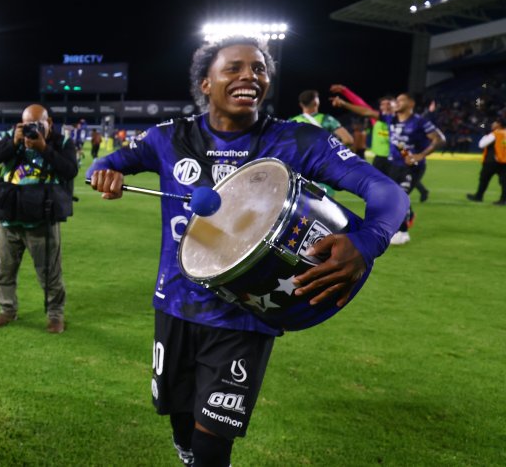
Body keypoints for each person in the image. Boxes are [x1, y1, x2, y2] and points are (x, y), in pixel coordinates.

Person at [88, 37, 408, 467]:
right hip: (176, 305)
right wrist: (102, 174)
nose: (249, 76)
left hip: (244, 315)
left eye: (258, 69)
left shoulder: (296, 141)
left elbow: (384, 190)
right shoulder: (168, 138)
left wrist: (367, 243)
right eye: (234, 68)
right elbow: (104, 164)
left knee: (213, 443)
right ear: (205, 83)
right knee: (180, 420)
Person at [0, 104, 78, 334]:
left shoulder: (62, 142)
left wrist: (44, 148)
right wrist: (13, 142)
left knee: (49, 273)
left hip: (41, 220)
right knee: (4, 270)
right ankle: (7, 310)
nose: (32, 129)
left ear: (49, 123)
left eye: (38, 124)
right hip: (9, 219)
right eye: (28, 125)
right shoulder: (12, 137)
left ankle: (55, 315)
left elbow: (70, 170)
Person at [333, 89, 444, 244]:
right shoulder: (391, 119)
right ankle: (400, 224)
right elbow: (366, 112)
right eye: (396, 100)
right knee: (392, 196)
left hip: (413, 167)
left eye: (401, 100)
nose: (397, 103)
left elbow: (439, 139)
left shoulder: (420, 122)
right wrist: (344, 103)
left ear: (411, 103)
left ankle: (403, 232)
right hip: (394, 165)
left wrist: (420, 155)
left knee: (400, 195)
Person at [467, 117, 506, 204]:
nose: (493, 124)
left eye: (495, 122)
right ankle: (503, 199)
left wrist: (486, 135)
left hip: (492, 161)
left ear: (499, 124)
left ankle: (478, 196)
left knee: (484, 179)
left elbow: (481, 145)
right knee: (504, 181)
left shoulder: (495, 134)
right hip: (504, 162)